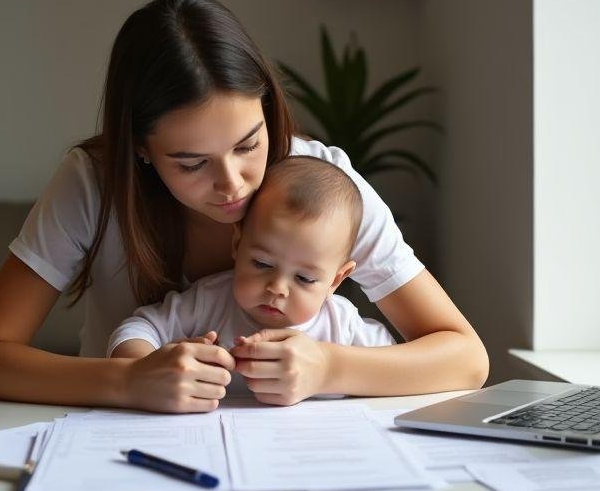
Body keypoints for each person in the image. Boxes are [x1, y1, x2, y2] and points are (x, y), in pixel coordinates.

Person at [0, 0, 488, 414]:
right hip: (126, 441)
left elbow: (465, 357)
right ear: (140, 148)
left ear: (268, 110)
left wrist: (329, 368)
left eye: (249, 144)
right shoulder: (94, 184)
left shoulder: (322, 187)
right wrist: (126, 380)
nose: (232, 183)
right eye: (191, 163)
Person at [108, 156, 396, 403]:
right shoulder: (209, 300)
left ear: (336, 280)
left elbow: (390, 365)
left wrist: (334, 371)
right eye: (262, 263)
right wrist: (144, 368)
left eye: (305, 278)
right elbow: (137, 328)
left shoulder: (340, 324)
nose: (277, 288)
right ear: (237, 244)